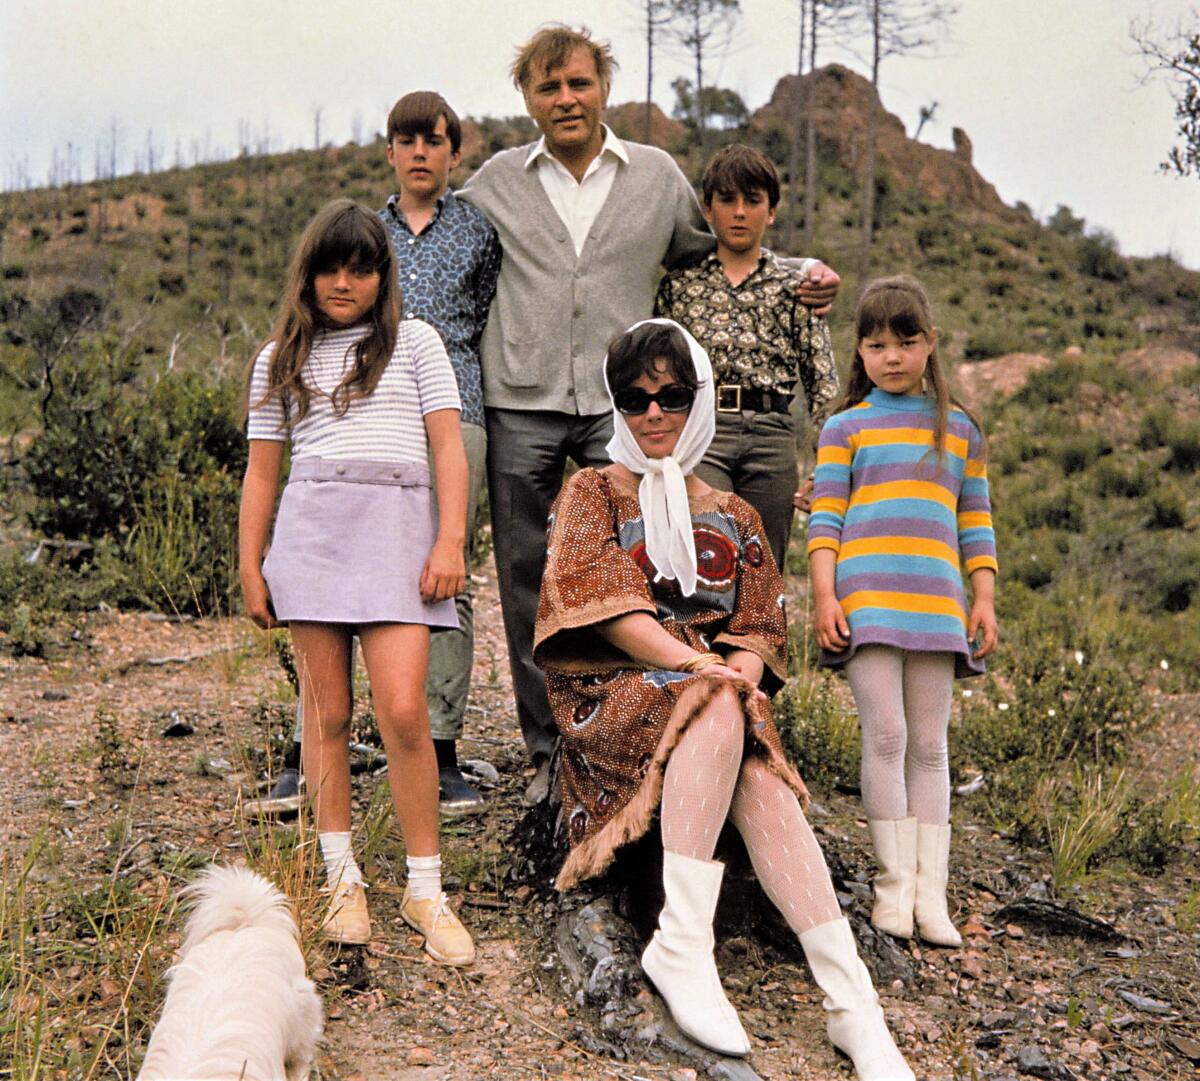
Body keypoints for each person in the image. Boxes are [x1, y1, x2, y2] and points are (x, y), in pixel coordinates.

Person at [460, 24, 840, 803]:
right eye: (547, 87)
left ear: (604, 86)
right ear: (528, 99)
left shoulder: (657, 176)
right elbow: (437, 241)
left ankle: (652, 728)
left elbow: (725, 252)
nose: (565, 99)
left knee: (651, 563)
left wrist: (803, 272)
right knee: (529, 575)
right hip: (520, 398)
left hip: (624, 405)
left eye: (578, 83)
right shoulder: (496, 181)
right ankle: (549, 747)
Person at [533, 319, 914, 1081]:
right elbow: (601, 605)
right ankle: (690, 944)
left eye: (672, 396)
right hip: (613, 694)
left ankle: (851, 1003)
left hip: (714, 699)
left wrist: (730, 671)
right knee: (717, 702)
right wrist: (701, 666)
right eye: (635, 399)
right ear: (617, 406)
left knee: (752, 763)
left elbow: (759, 623)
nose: (653, 414)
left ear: (697, 400)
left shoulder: (736, 514)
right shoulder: (591, 491)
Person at [239, 199, 476, 964]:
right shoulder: (279, 357)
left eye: (361, 267)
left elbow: (449, 450)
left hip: (399, 541)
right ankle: (341, 877)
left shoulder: (415, 344)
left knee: (404, 711)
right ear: (307, 273)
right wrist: (252, 562)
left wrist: (450, 539)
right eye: (329, 266)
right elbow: (262, 472)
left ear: (382, 276)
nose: (344, 281)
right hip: (312, 542)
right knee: (327, 713)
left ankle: (424, 887)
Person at [255, 91, 502, 818]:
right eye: (407, 139)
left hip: (449, 408)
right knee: (326, 583)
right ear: (389, 150)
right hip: (349, 421)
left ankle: (442, 746)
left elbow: (491, 316)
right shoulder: (362, 235)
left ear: (455, 151)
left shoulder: (480, 231)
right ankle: (311, 754)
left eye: (435, 139)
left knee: (439, 572)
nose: (421, 151)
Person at [807, 275, 998, 948]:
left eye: (906, 341)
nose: (892, 356)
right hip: (867, 601)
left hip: (938, 605)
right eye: (877, 343)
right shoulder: (844, 427)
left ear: (930, 344)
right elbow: (825, 519)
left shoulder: (960, 428)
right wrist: (825, 594)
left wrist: (983, 595)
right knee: (885, 736)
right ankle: (892, 891)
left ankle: (930, 896)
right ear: (859, 351)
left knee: (930, 744)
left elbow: (976, 519)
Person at [655, 143, 839, 572]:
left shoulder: (795, 287)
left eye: (753, 201)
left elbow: (824, 384)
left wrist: (828, 467)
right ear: (708, 208)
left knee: (763, 567)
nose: (740, 212)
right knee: (706, 553)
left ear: (771, 211)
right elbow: (659, 374)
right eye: (728, 200)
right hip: (704, 433)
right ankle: (697, 641)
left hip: (772, 439)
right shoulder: (680, 287)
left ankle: (758, 641)